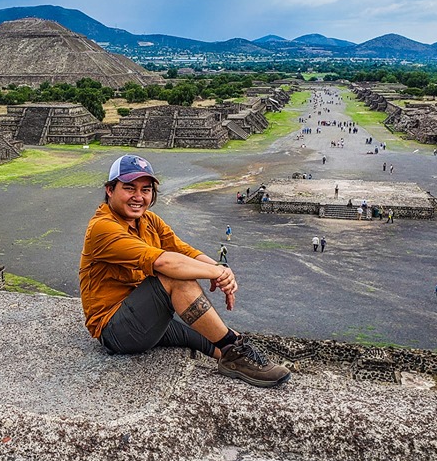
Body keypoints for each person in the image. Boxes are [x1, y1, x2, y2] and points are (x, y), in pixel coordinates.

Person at [79, 154, 290, 387]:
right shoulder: (102, 227)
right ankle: (234, 349)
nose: (138, 197)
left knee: (213, 336)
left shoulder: (148, 221)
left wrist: (220, 268)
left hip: (143, 315)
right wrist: (215, 274)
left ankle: (239, 357)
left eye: (145, 190)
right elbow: (164, 263)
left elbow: (183, 250)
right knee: (176, 279)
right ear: (110, 190)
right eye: (129, 188)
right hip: (116, 330)